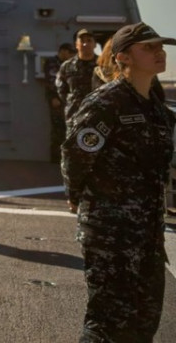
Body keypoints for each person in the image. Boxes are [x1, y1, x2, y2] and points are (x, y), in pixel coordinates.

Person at [62, 22, 175, 343]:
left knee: (143, 324)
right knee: (106, 326)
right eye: (149, 47)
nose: (160, 52)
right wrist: (75, 196)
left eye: (160, 46)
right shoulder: (107, 102)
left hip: (148, 235)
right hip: (111, 234)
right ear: (124, 57)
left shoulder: (156, 108)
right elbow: (76, 153)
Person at [57, 29, 98, 128]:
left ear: (95, 44)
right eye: (82, 41)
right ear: (76, 45)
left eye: (89, 40)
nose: (85, 44)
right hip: (75, 117)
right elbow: (62, 90)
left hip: (99, 116)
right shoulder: (67, 66)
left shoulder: (103, 64)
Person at [43, 43, 75, 164]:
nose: (71, 55)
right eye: (69, 52)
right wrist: (53, 98)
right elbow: (51, 82)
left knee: (69, 129)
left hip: (68, 101)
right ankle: (56, 160)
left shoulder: (69, 64)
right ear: (62, 51)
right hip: (57, 101)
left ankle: (67, 159)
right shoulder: (52, 63)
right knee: (58, 130)